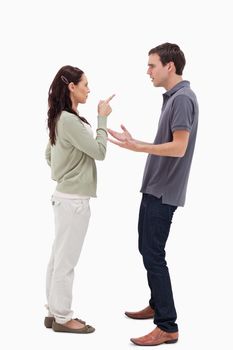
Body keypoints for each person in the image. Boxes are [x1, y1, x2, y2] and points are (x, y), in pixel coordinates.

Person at [108, 43, 198, 346]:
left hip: (164, 192)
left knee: (154, 255)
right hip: (154, 189)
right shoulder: (173, 98)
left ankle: (167, 325)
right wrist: (136, 142)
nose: (148, 71)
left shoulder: (183, 99)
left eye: (152, 65)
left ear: (169, 66)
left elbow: (179, 146)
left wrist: (139, 146)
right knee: (146, 250)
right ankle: (158, 304)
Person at [44, 65, 114, 333]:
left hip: (64, 196)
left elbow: (49, 155)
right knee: (66, 261)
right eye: (85, 84)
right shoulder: (70, 121)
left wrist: (62, 171)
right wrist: (102, 119)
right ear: (71, 87)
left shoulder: (60, 118)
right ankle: (63, 317)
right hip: (73, 200)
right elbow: (99, 152)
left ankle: (53, 312)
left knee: (58, 257)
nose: (88, 89)